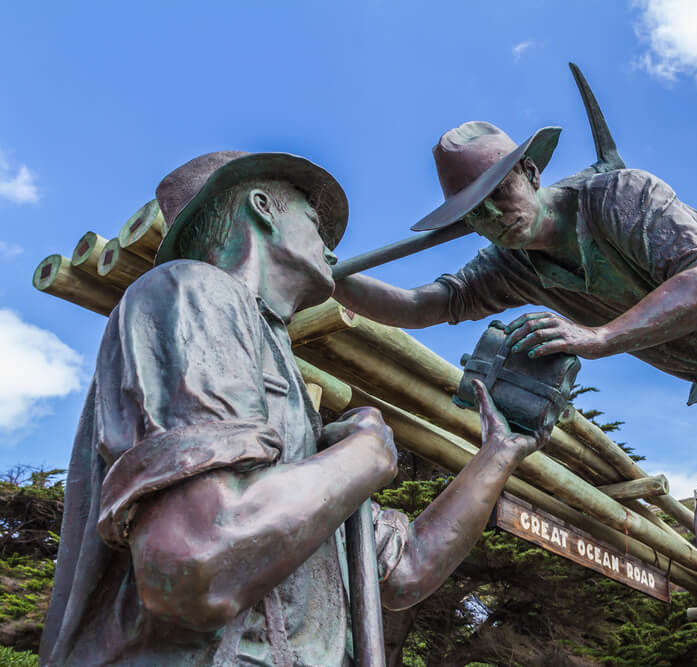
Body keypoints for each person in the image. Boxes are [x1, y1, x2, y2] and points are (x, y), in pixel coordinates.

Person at [332, 122, 697, 666]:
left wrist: (599, 337)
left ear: (531, 173)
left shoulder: (620, 197)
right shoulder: (512, 264)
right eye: (475, 210)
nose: (493, 215)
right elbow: (423, 305)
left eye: (499, 192)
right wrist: (325, 272)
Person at [39, 151, 549, 666]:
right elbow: (197, 562)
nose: (329, 245)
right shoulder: (192, 288)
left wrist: (499, 451)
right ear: (262, 207)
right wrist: (367, 455)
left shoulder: (284, 398)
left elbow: (404, 571)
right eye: (314, 221)